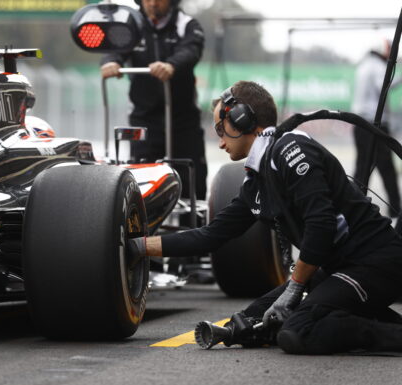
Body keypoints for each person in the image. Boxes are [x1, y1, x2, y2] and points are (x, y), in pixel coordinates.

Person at [128, 80, 402, 354]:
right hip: (340, 268)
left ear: (243, 119)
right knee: (250, 320)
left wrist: (294, 288)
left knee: (298, 330)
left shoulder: (291, 149)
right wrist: (138, 247)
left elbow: (322, 225)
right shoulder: (254, 185)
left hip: (375, 262)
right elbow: (209, 237)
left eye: (221, 128)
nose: (219, 140)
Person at [100, 0, 207, 200]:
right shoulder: (130, 24)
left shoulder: (187, 24)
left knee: (194, 183)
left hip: (183, 121)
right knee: (141, 184)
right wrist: (111, 62)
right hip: (144, 119)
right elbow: (114, 49)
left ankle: (192, 228)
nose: (153, 3)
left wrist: (171, 65)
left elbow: (191, 51)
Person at [352, 39, 401, 216]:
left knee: (362, 168)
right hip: (375, 125)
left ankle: (354, 208)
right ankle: (396, 209)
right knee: (387, 168)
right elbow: (385, 84)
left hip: (360, 124)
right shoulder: (378, 66)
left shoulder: (364, 65)